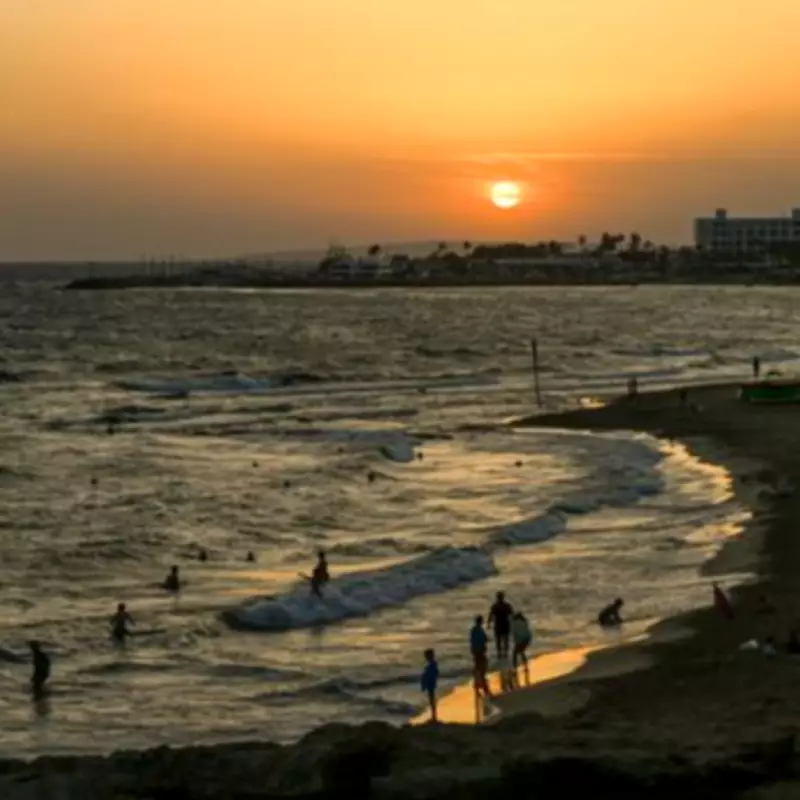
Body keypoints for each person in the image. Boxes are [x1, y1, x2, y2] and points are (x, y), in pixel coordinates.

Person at [488, 591, 514, 659]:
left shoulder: (495, 606)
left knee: (498, 641)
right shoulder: (507, 606)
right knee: (505, 640)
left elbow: (491, 615)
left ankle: (499, 654)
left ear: (497, 597)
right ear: (503, 597)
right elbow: (512, 615)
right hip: (505, 624)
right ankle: (505, 654)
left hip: (498, 625)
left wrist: (489, 623)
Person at [420, 648, 439, 722]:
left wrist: (425, 683)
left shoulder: (432, 665)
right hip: (431, 684)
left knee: (432, 700)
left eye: (426, 656)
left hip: (431, 684)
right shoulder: (432, 664)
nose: (426, 657)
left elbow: (432, 675)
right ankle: (433, 716)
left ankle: (434, 717)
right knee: (431, 700)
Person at [511, 611, 532, 677]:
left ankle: (515, 669)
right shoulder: (523, 622)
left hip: (522, 639)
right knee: (521, 652)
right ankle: (526, 667)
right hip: (527, 638)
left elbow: (515, 634)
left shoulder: (514, 623)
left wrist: (517, 642)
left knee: (514, 654)